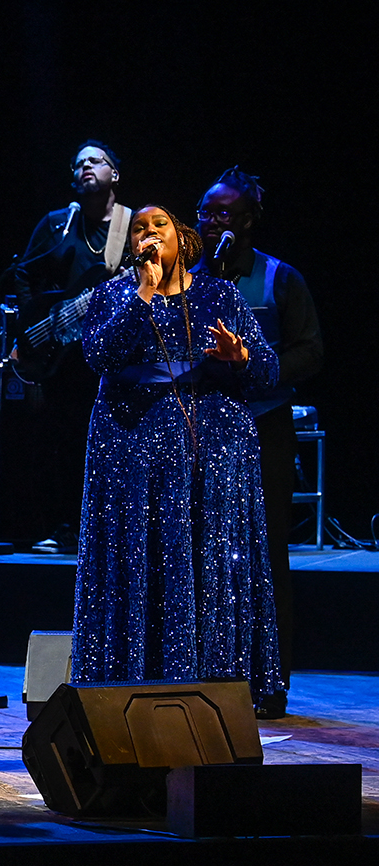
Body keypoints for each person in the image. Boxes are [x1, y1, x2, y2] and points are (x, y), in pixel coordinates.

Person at [72, 203, 280, 698]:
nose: (147, 233)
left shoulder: (219, 294)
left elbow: (268, 372)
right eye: (139, 229)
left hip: (210, 451)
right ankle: (133, 679)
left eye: (158, 226)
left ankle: (215, 685)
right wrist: (143, 294)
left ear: (182, 240)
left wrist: (241, 356)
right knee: (144, 560)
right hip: (134, 447)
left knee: (204, 562)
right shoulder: (114, 295)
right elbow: (98, 356)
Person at [194, 168, 321, 718]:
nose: (211, 221)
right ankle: (204, 673)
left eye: (222, 213)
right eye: (205, 211)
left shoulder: (280, 278)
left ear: (247, 221)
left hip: (263, 426)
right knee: (201, 551)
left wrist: (254, 368)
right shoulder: (188, 278)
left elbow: (310, 352)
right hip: (200, 430)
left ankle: (269, 682)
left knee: (266, 554)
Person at [7, 141, 133, 552]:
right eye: (78, 163)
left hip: (112, 352)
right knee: (61, 440)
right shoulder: (57, 224)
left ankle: (106, 530)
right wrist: (35, 325)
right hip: (60, 354)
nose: (85, 168)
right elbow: (23, 274)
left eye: (95, 161)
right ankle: (63, 527)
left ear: (114, 174)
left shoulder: (133, 227)